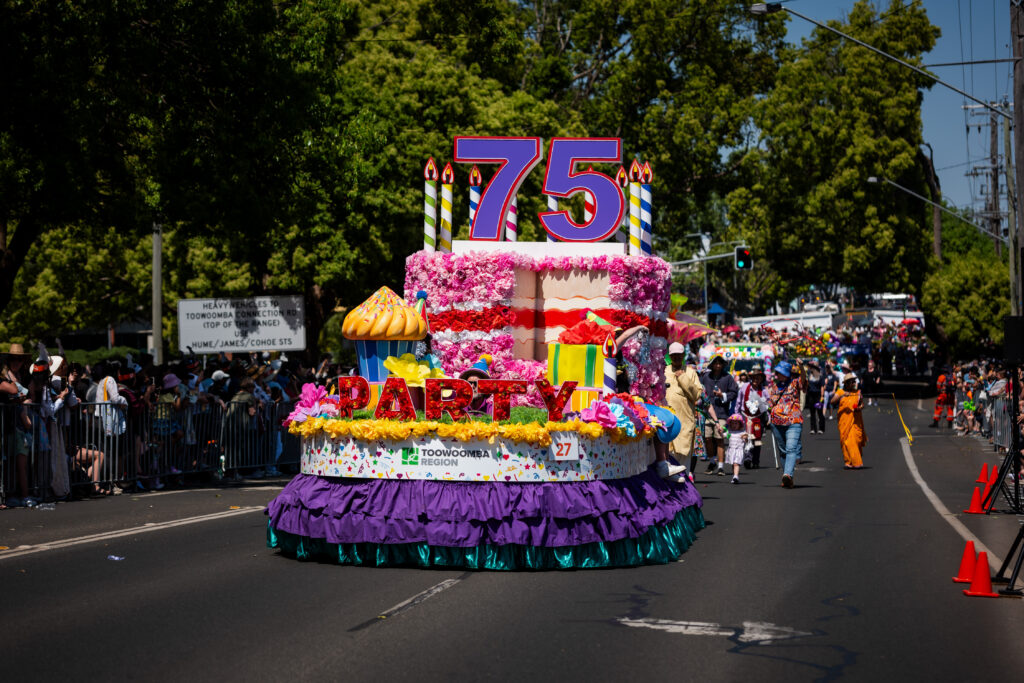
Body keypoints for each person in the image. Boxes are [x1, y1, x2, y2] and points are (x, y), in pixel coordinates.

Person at [663, 342, 702, 479]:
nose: (677, 357)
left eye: (679, 355)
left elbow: (696, 395)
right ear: (670, 356)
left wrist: (683, 377)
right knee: (668, 457)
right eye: (674, 355)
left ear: (684, 355)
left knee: (684, 456)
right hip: (667, 421)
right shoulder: (664, 371)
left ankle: (684, 488)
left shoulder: (690, 372)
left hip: (684, 421)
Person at [766, 360, 806, 488]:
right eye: (777, 373)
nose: (778, 375)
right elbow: (770, 404)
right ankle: (787, 478)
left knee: (791, 449)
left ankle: (788, 474)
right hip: (776, 423)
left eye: (780, 373)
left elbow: (803, 379)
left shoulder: (794, 383)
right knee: (783, 451)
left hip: (793, 421)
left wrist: (801, 367)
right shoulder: (774, 387)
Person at [700, 354, 738, 476]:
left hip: (721, 413)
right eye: (715, 363)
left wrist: (723, 395)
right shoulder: (706, 377)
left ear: (722, 365)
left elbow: (734, 392)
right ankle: (712, 461)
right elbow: (698, 389)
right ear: (712, 365)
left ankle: (721, 466)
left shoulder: (727, 378)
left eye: (720, 363)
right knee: (707, 438)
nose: (717, 365)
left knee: (719, 439)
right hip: (707, 413)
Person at [832, 372, 867, 469]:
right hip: (844, 421)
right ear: (846, 383)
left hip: (856, 421)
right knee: (847, 441)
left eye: (854, 381)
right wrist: (843, 395)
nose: (854, 383)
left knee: (856, 440)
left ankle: (854, 460)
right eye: (852, 382)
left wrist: (859, 407)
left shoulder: (857, 393)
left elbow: (862, 404)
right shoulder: (840, 392)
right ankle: (851, 462)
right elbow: (832, 401)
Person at [739, 363, 769, 468]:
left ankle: (756, 460)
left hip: (758, 418)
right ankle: (747, 458)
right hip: (746, 416)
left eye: (758, 378)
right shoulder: (744, 387)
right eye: (754, 377)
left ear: (761, 379)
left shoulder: (764, 391)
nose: (756, 379)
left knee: (757, 439)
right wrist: (736, 414)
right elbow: (739, 401)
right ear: (751, 378)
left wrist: (769, 417)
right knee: (747, 438)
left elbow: (768, 405)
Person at [723, 413, 748, 484]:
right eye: (732, 423)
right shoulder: (729, 432)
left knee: (736, 463)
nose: (734, 425)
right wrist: (720, 431)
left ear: (740, 424)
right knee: (733, 464)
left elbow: (746, 441)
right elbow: (723, 436)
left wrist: (745, 438)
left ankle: (736, 476)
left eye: (736, 423)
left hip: (738, 450)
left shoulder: (742, 432)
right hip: (731, 450)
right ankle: (734, 476)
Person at [805, 361, 825, 435]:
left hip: (818, 395)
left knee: (820, 412)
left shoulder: (820, 376)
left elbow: (822, 386)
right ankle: (813, 428)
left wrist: (822, 396)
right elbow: (807, 384)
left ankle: (821, 428)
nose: (811, 369)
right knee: (812, 413)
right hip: (811, 395)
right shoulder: (809, 376)